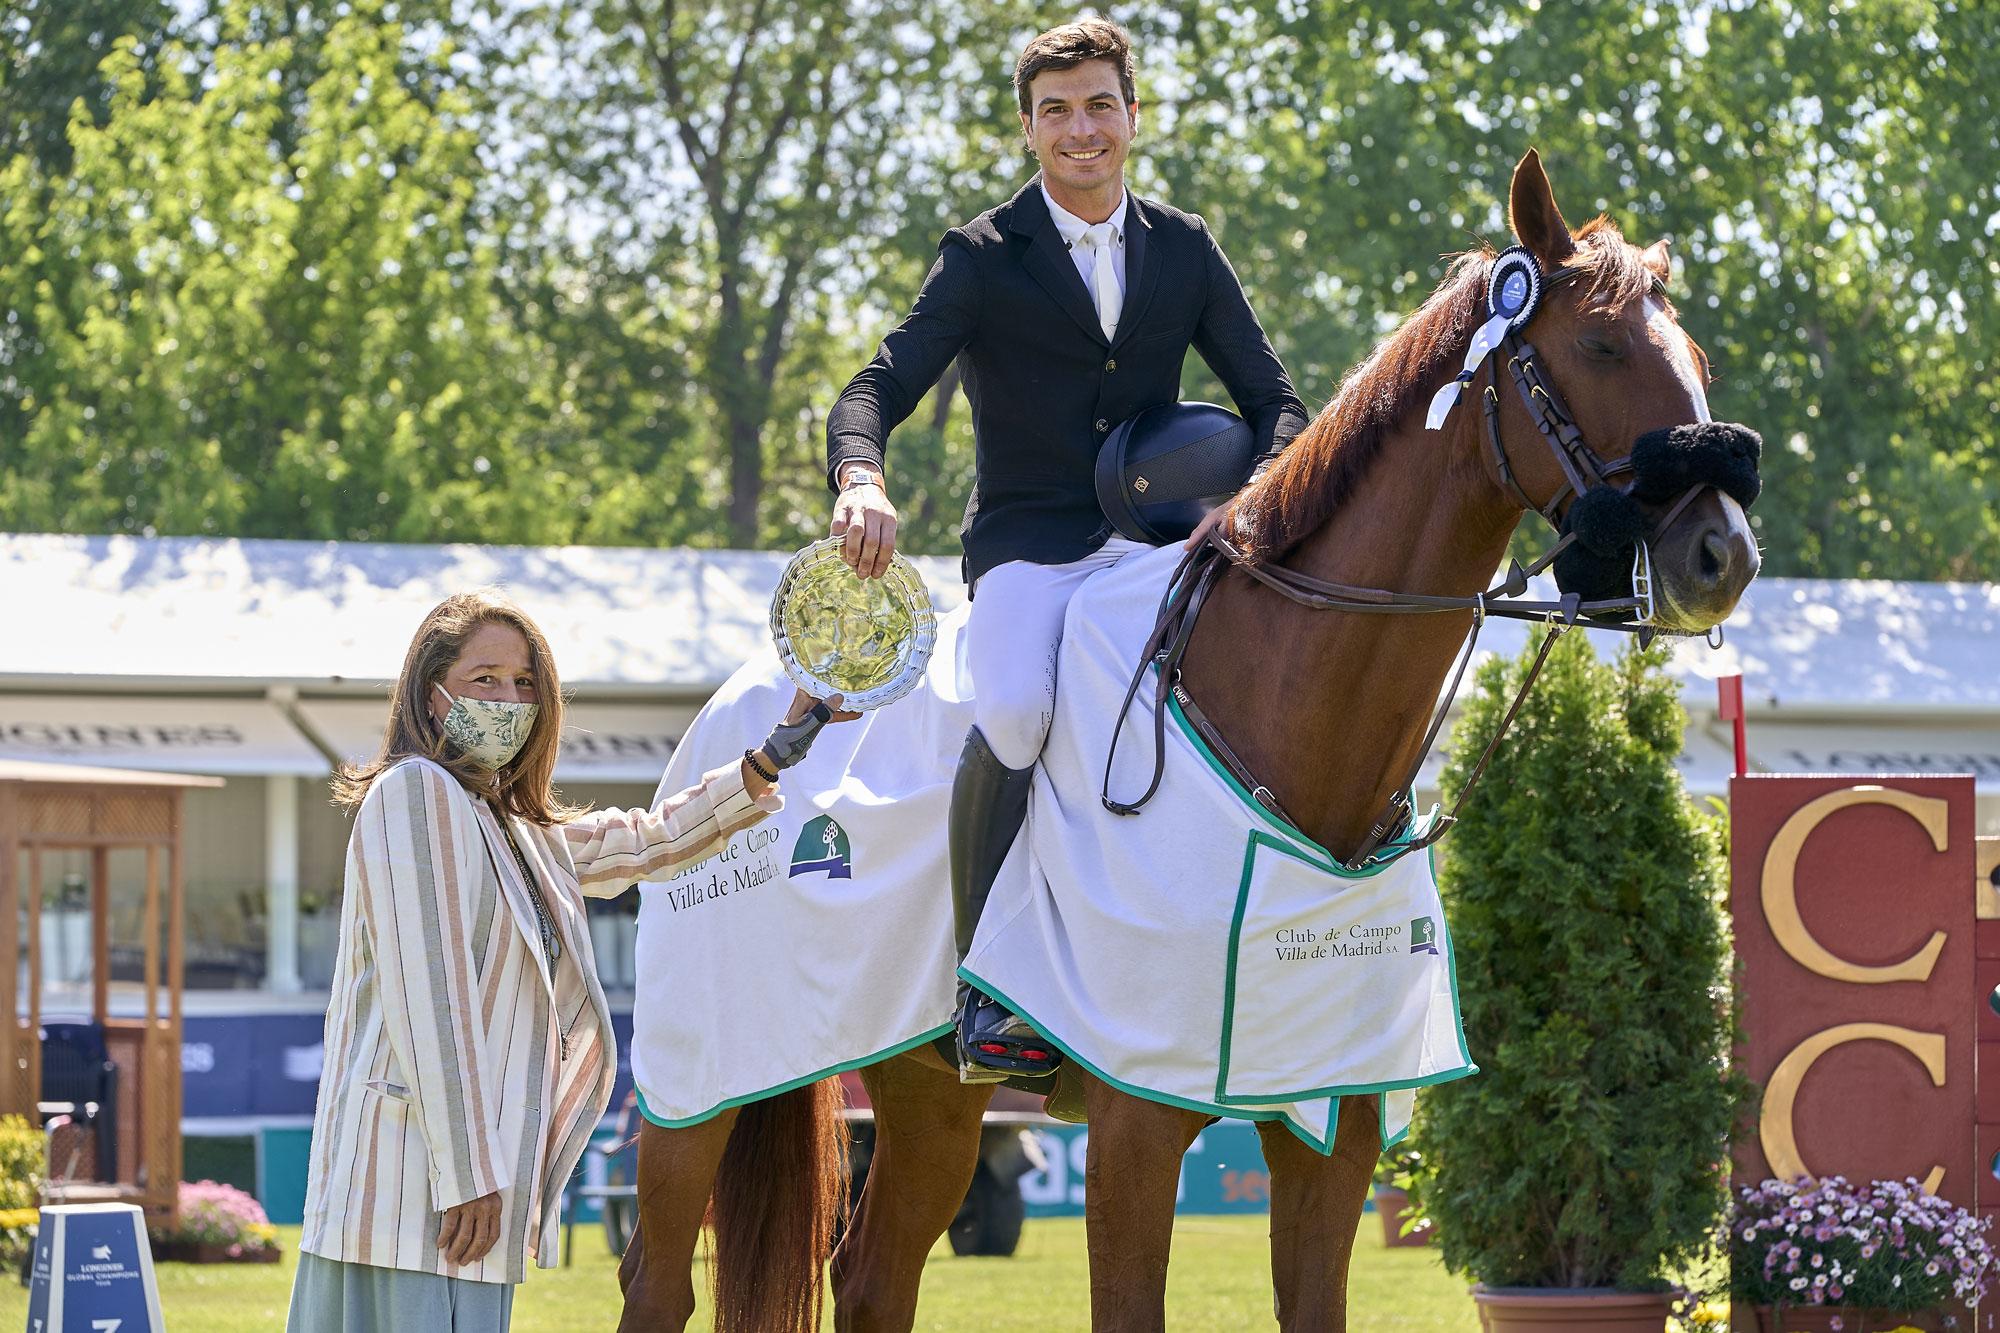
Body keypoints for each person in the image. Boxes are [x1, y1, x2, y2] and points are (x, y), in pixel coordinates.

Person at [825, 18, 1308, 1082]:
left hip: (1155, 552)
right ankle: (984, 987)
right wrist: (861, 476)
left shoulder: (1182, 247)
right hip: (1028, 551)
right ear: (1028, 128)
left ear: (1132, 116)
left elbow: (1274, 399)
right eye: (1055, 111)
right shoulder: (982, 254)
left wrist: (1247, 508)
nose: (1078, 129)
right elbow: (875, 387)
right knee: (1013, 708)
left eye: (1098, 105)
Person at [286, 590, 850, 1331]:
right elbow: (431, 996)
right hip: (417, 1191)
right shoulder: (415, 792)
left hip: (467, 1200)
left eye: (524, 683)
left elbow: (646, 841)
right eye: (484, 678)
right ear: (432, 694)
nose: (509, 699)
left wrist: (778, 750)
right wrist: (468, 1176)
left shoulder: (513, 826)